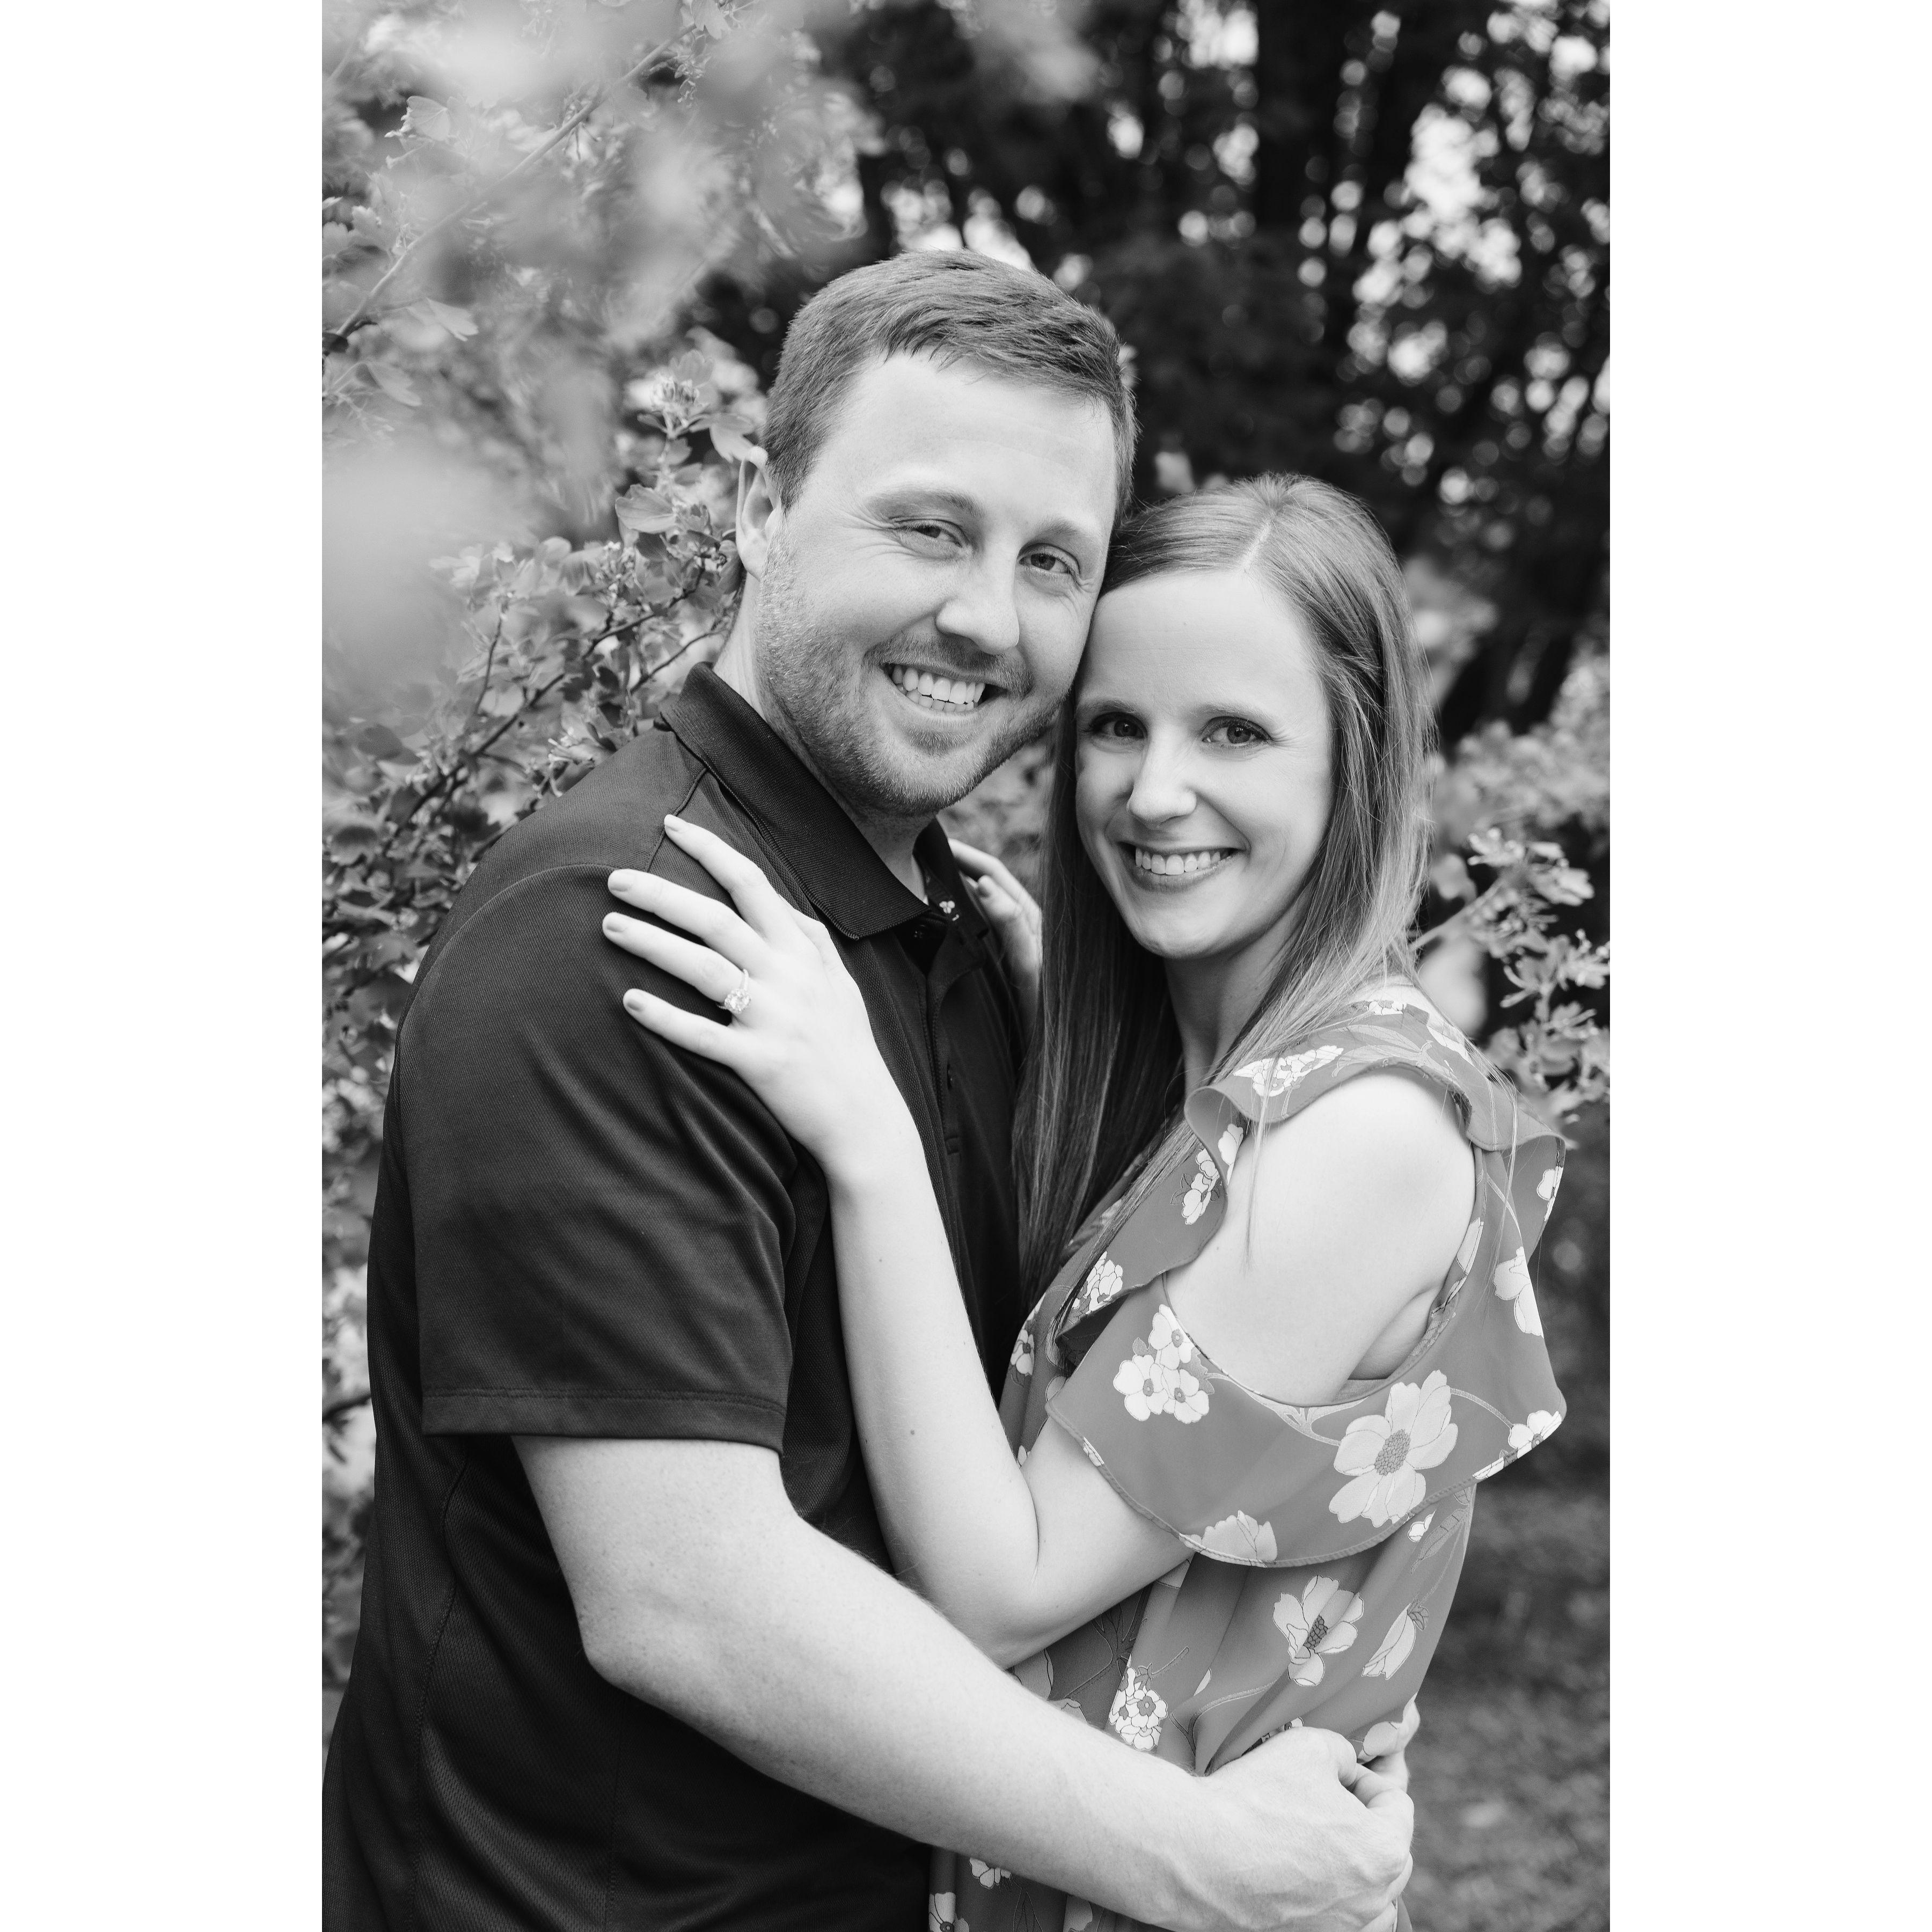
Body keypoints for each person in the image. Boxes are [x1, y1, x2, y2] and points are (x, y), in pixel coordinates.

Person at [324, 252, 1413, 1932]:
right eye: (929, 528)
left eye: (1051, 561)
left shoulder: (959, 941)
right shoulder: (631, 928)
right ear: (762, 510)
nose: (987, 617)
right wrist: (1199, 1855)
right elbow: (691, 1598)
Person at [602, 474, 1567, 1932]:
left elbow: (1004, 1586)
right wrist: (1062, 1017)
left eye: (1233, 732)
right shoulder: (1226, 1093)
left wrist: (868, 1125)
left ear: (1358, 762)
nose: (1154, 792)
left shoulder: (1364, 1133)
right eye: (1117, 726)